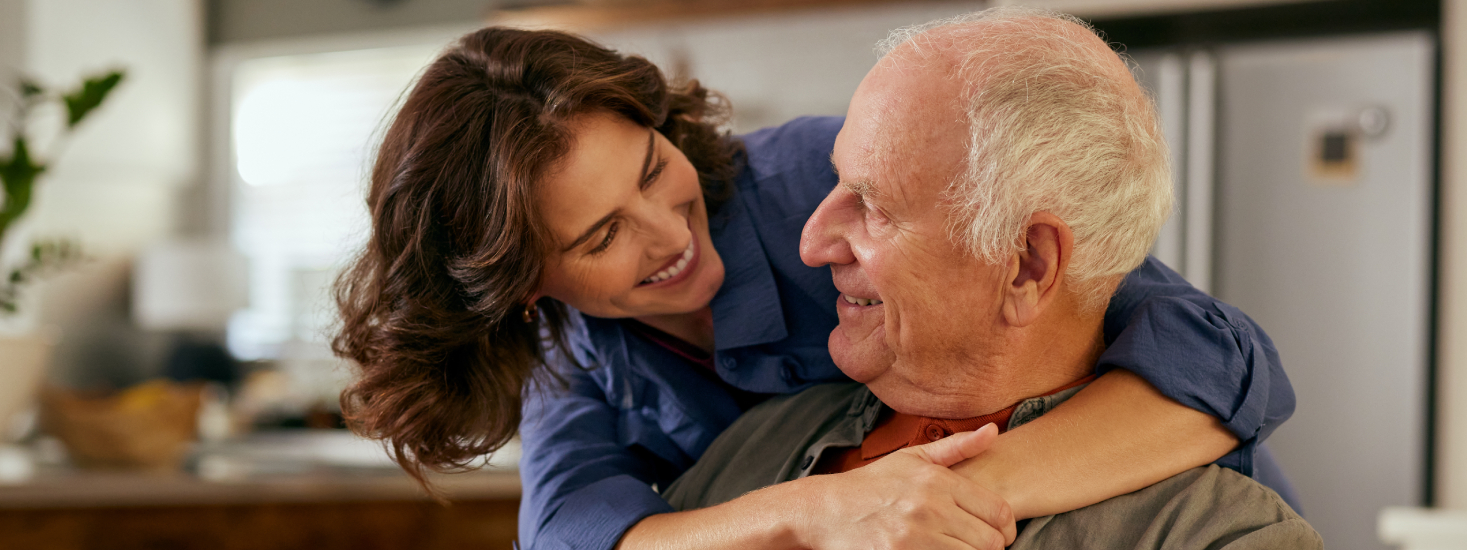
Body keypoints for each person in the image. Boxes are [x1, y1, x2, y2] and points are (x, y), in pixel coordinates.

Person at [331, 19, 1293, 550]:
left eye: (653, 167)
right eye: (602, 234)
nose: (673, 234)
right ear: (527, 287)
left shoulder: (807, 180)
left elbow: (1213, 353)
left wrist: (938, 496)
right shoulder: (573, 355)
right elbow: (572, 537)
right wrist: (821, 509)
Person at [662, 9, 1318, 549]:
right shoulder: (751, 452)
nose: (812, 242)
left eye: (874, 207)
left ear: (1027, 265)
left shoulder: (1220, 534)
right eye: (833, 182)